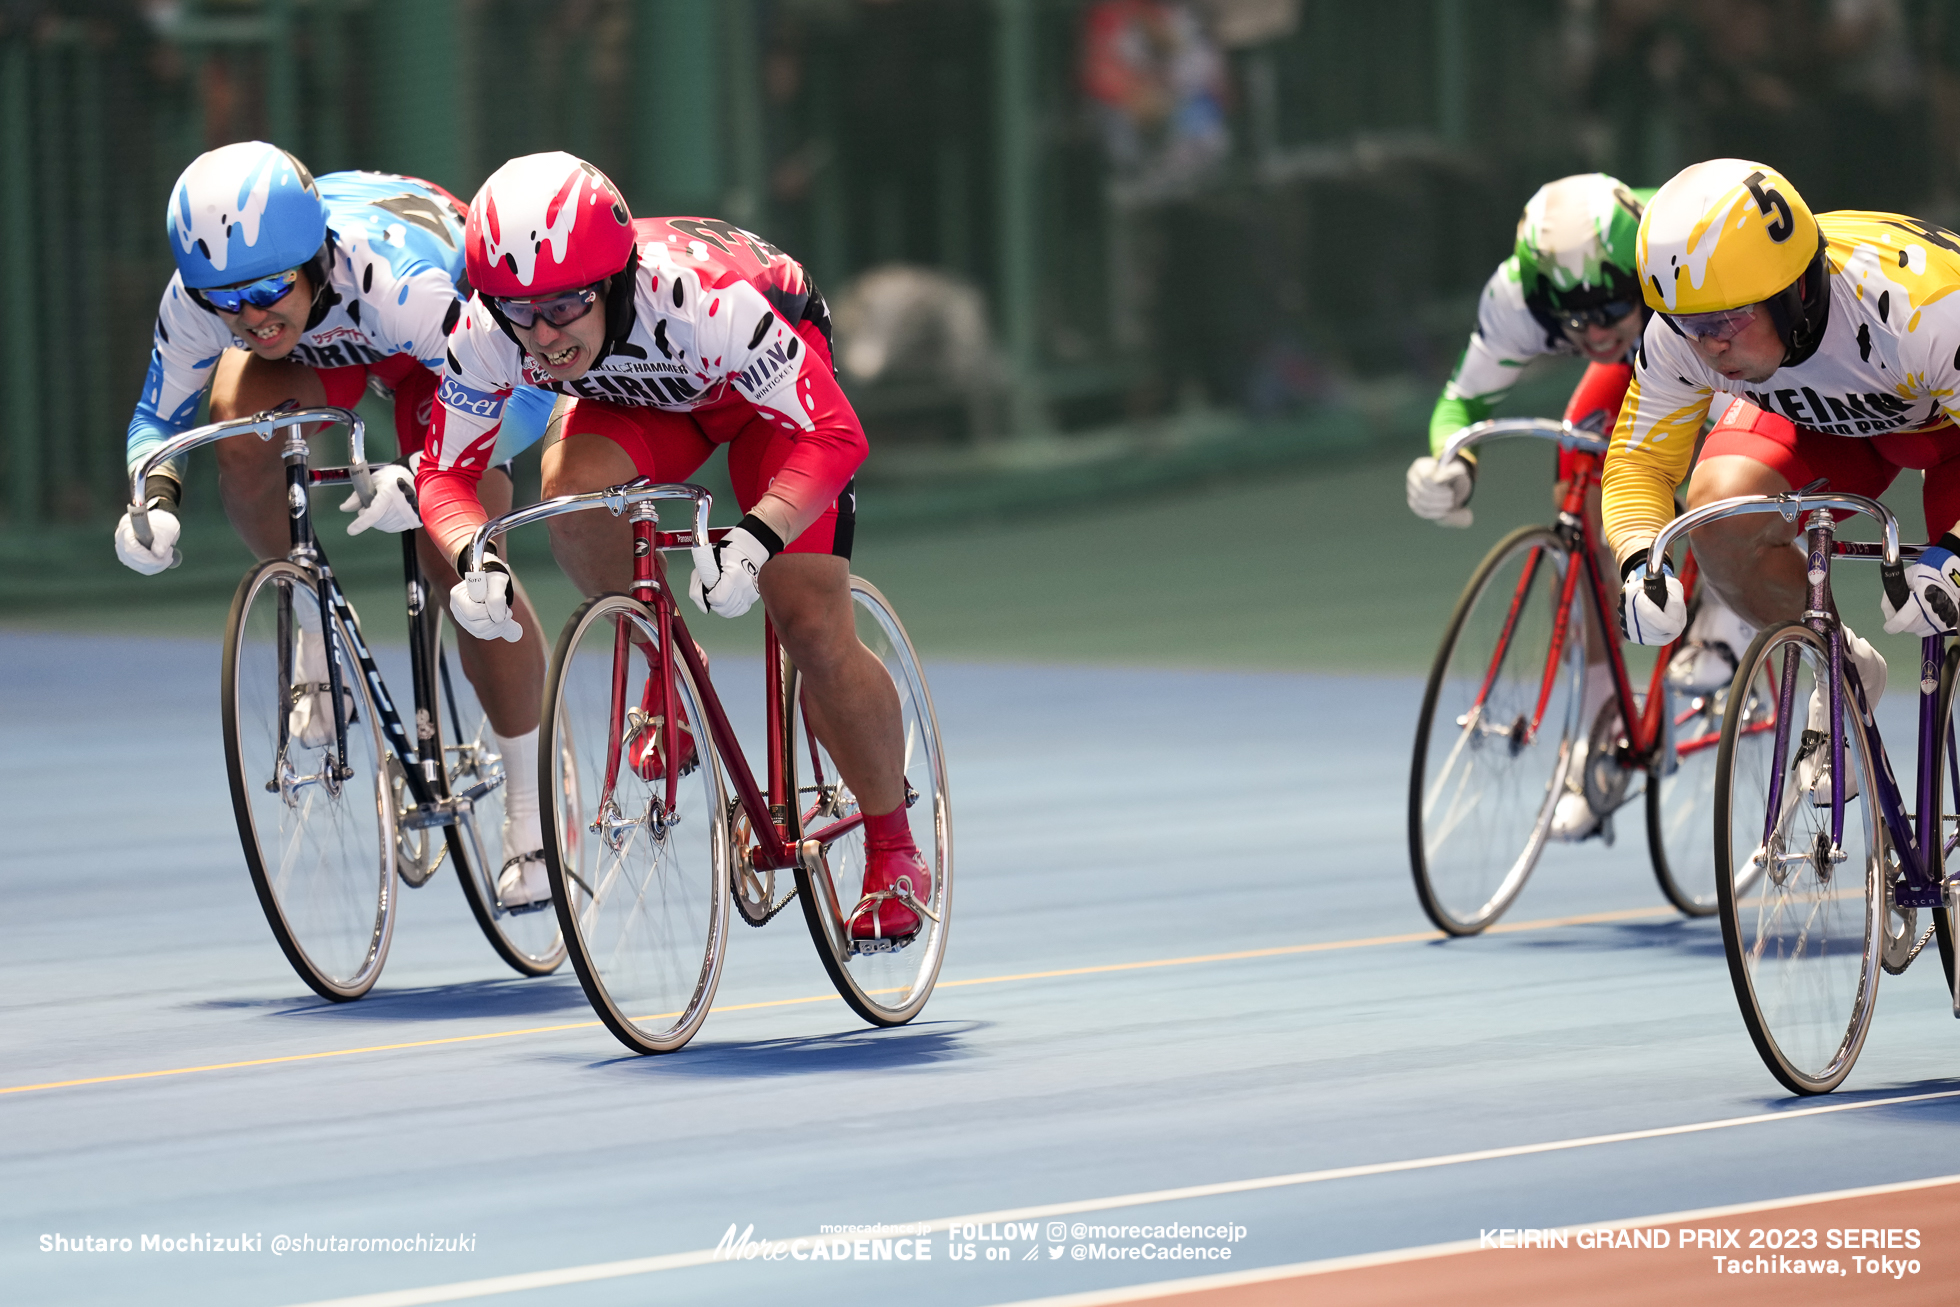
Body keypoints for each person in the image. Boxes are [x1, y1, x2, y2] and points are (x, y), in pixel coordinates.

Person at [418, 152, 932, 940]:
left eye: (561, 307)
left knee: (806, 619)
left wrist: (759, 536)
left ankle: (893, 844)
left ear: (615, 280)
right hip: (644, 403)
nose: (542, 336)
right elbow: (442, 472)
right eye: (518, 311)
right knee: (573, 499)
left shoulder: (704, 306)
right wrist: (468, 556)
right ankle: (666, 669)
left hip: (763, 401)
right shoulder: (493, 333)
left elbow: (836, 434)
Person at [114, 140, 552, 895]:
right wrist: (152, 500)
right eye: (226, 301)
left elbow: (524, 394)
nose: (249, 317)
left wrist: (427, 479)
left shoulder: (400, 286)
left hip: (440, 362)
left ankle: (532, 812)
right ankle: (312, 624)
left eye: (266, 290)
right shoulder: (204, 297)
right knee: (235, 422)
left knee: (461, 567)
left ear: (314, 260)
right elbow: (159, 418)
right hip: (331, 344)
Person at [1406, 172, 1752, 839]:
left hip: (1707, 347)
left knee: (1732, 454)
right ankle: (1597, 729)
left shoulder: (1679, 247)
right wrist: (1451, 461)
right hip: (1641, 363)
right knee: (1578, 464)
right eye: (1572, 318)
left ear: (1637, 278)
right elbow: (1463, 400)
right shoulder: (1517, 296)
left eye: (1608, 310)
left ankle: (1728, 605)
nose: (1591, 330)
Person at [1609, 158, 1960, 799]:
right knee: (1716, 517)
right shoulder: (1684, 332)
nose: (1707, 346)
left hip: (1949, 428)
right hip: (1838, 426)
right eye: (1688, 324)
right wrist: (1639, 560)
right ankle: (1844, 668)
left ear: (1793, 290)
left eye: (1724, 322)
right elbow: (1641, 462)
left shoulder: (1923, 310)